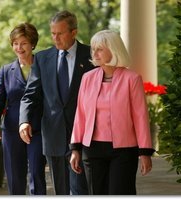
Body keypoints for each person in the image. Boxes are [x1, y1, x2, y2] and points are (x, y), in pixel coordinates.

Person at [69, 30, 155, 195]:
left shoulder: (132, 79)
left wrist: (145, 152)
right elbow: (80, 115)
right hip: (91, 149)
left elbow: (140, 117)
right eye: (93, 49)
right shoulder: (87, 78)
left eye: (100, 49)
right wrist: (75, 149)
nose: (94, 53)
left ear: (114, 49)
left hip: (123, 151)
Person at [19, 10, 94, 195]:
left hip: (83, 137)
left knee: (80, 191)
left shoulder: (91, 55)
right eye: (53, 33)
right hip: (53, 136)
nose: (55, 38)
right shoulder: (43, 59)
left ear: (74, 32)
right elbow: (30, 95)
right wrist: (24, 120)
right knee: (60, 192)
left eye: (60, 33)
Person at [0, 22, 46, 195]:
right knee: (14, 178)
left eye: (23, 43)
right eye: (15, 43)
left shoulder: (43, 67)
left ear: (33, 44)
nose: (19, 48)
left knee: (36, 174)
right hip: (12, 131)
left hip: (38, 130)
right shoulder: (6, 71)